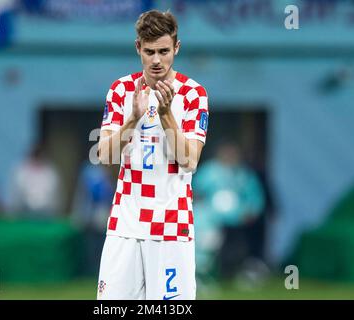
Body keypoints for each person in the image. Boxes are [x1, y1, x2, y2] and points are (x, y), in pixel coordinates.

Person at [96, 10, 209, 300]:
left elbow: (190, 161)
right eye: (149, 52)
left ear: (177, 48)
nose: (157, 60)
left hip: (172, 224)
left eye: (164, 51)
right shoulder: (121, 90)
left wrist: (165, 114)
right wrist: (132, 119)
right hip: (125, 222)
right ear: (138, 48)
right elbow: (105, 154)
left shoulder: (194, 94)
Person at [193, 140, 267, 283]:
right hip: (210, 220)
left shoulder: (244, 174)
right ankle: (203, 275)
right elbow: (195, 191)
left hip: (237, 222)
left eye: (232, 154)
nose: (229, 156)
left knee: (236, 249)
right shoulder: (209, 171)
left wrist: (250, 213)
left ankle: (234, 273)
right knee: (206, 245)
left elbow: (255, 198)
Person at [9, 142, 62, 218]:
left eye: (39, 155)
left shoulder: (50, 173)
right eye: (35, 155)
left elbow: (56, 198)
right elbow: (14, 196)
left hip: (46, 215)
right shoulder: (20, 172)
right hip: (24, 213)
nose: (37, 158)